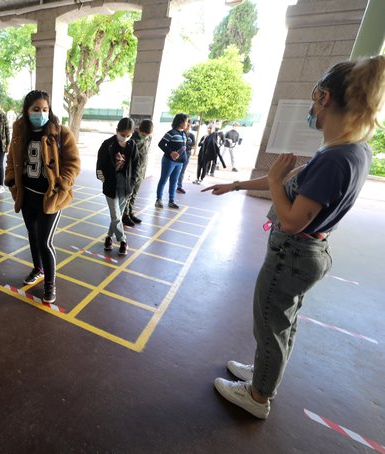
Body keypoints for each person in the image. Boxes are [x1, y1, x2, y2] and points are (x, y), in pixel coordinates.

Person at [203, 55, 385, 420]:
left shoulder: (336, 159)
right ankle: (264, 378)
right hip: (309, 253)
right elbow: (290, 182)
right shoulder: (352, 150)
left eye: (315, 97)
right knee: (282, 322)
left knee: (269, 323)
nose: (312, 106)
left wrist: (271, 181)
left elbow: (291, 221)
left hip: (294, 253)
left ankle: (257, 397)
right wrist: (237, 184)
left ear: (326, 98)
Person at [5, 90, 80, 303]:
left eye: (45, 109)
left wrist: (62, 183)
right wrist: (11, 179)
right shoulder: (20, 132)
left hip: (51, 197)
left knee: (45, 241)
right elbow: (11, 158)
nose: (41, 113)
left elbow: (73, 163)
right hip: (27, 195)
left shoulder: (60, 133)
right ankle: (37, 269)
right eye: (36, 109)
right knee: (32, 235)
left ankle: (50, 283)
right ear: (27, 111)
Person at [97, 117, 139, 255]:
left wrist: (132, 183)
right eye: (122, 135)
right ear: (117, 131)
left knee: (118, 215)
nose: (125, 138)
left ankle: (108, 237)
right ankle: (123, 240)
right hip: (111, 184)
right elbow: (100, 166)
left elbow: (135, 168)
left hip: (126, 185)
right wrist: (104, 180)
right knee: (115, 215)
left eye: (128, 135)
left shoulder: (132, 146)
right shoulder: (107, 144)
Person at [155, 113, 189, 209]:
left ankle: (171, 201)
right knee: (164, 179)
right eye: (186, 121)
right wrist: (170, 153)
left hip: (179, 163)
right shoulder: (171, 133)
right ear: (180, 122)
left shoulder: (183, 133)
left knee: (174, 181)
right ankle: (158, 200)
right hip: (169, 161)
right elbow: (161, 144)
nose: (187, 123)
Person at [123, 119, 153, 226]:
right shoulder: (132, 140)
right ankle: (124, 215)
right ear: (139, 129)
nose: (145, 136)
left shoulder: (149, 138)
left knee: (134, 194)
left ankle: (130, 212)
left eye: (147, 134)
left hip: (141, 170)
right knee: (128, 194)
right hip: (132, 171)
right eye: (143, 134)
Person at [176, 119, 195, 194]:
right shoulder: (180, 133)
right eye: (186, 124)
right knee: (176, 170)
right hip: (179, 154)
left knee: (182, 171)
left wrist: (187, 144)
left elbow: (193, 144)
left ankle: (179, 186)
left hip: (187, 154)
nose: (188, 126)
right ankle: (174, 185)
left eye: (189, 124)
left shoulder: (191, 135)